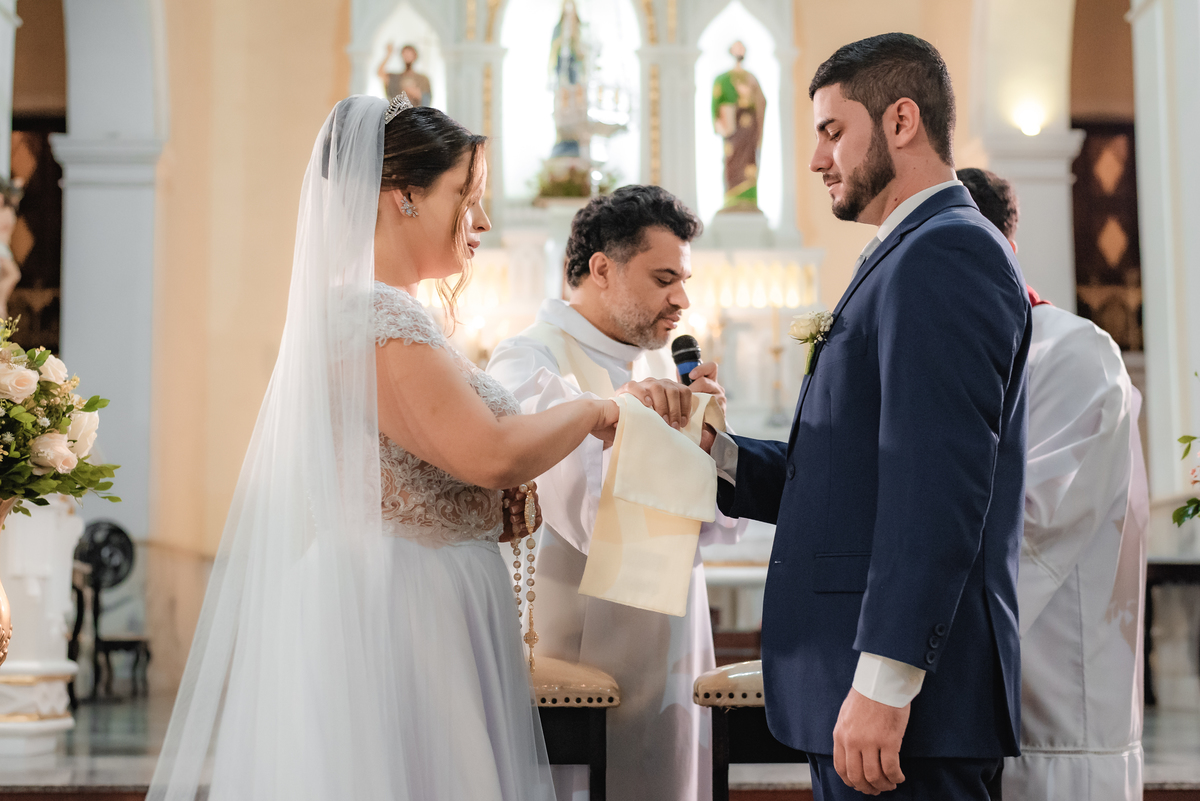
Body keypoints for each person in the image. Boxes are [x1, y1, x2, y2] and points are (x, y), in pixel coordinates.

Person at [148, 95, 621, 801]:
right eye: (467, 196)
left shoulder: (385, 311)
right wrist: (598, 407)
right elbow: (488, 451)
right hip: (405, 602)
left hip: (419, 587)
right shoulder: (377, 314)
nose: (483, 220)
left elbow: (454, 463)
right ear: (404, 197)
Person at [704, 34, 1030, 799]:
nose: (819, 159)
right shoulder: (906, 253)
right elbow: (840, 475)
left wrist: (885, 683)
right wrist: (711, 448)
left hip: (904, 706)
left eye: (832, 131)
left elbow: (938, 486)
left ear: (901, 121)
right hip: (863, 690)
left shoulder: (945, 252)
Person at [487, 185, 746, 801]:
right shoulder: (527, 363)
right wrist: (666, 445)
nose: (682, 299)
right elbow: (586, 512)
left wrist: (711, 442)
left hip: (671, 645)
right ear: (601, 268)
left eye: (683, 280)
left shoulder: (654, 376)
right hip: (583, 654)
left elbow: (707, 526)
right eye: (663, 278)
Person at [959, 167, 1148, 801]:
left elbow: (1037, 524)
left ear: (996, 243)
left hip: (1059, 708)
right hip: (978, 710)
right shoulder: (958, 351)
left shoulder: (1073, 352)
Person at [712, 40, 767, 212]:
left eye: (742, 48)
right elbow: (716, 103)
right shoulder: (723, 78)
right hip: (733, 127)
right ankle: (732, 198)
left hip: (749, 126)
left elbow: (762, 101)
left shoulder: (751, 78)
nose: (739, 50)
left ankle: (749, 199)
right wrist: (722, 118)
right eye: (737, 48)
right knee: (732, 159)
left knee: (749, 160)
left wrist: (750, 98)